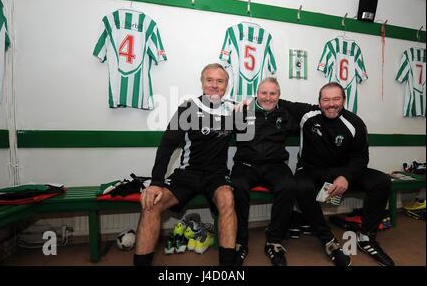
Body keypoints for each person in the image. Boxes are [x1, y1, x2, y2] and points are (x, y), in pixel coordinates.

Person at [133, 63, 240, 266]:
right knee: (151, 204)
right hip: (187, 174)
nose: (215, 85)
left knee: (227, 199)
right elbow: (167, 145)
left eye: (220, 81)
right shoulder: (187, 108)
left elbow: (258, 122)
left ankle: (227, 268)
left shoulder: (233, 109)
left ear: (226, 85)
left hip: (216, 175)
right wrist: (156, 182)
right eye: (210, 80)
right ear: (202, 83)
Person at [292, 82, 395, 266]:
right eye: (326, 99)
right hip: (311, 171)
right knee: (300, 186)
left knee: (381, 181)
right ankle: (328, 241)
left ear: (344, 100)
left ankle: (366, 238)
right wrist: (245, 103)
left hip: (342, 173)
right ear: (319, 101)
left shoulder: (355, 123)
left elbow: (361, 158)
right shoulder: (307, 115)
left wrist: (346, 176)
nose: (331, 104)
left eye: (336, 99)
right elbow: (274, 100)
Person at [231, 77, 299, 266]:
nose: (268, 97)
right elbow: (219, 115)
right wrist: (243, 103)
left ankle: (274, 241)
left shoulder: (286, 114)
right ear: (256, 94)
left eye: (272, 93)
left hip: (275, 165)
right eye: (263, 93)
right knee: (237, 187)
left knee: (288, 185)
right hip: (246, 165)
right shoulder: (242, 111)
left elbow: (311, 119)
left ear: (279, 96)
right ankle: (240, 242)